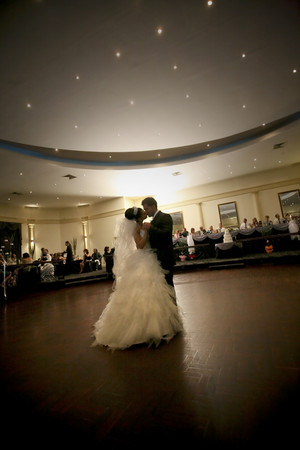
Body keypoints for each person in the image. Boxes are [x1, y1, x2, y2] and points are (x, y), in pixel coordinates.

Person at [92, 207, 183, 351]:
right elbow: (139, 246)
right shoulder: (136, 228)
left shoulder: (146, 223)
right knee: (142, 292)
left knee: (156, 291)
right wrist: (146, 231)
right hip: (144, 259)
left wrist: (149, 229)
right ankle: (143, 329)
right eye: (142, 211)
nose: (145, 212)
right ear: (139, 216)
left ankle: (161, 325)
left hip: (153, 258)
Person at [142, 197, 175, 290]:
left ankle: (172, 305)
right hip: (158, 258)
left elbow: (166, 234)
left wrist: (151, 228)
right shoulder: (153, 220)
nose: (146, 212)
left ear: (153, 206)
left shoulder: (165, 216)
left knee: (168, 285)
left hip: (165, 258)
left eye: (146, 209)